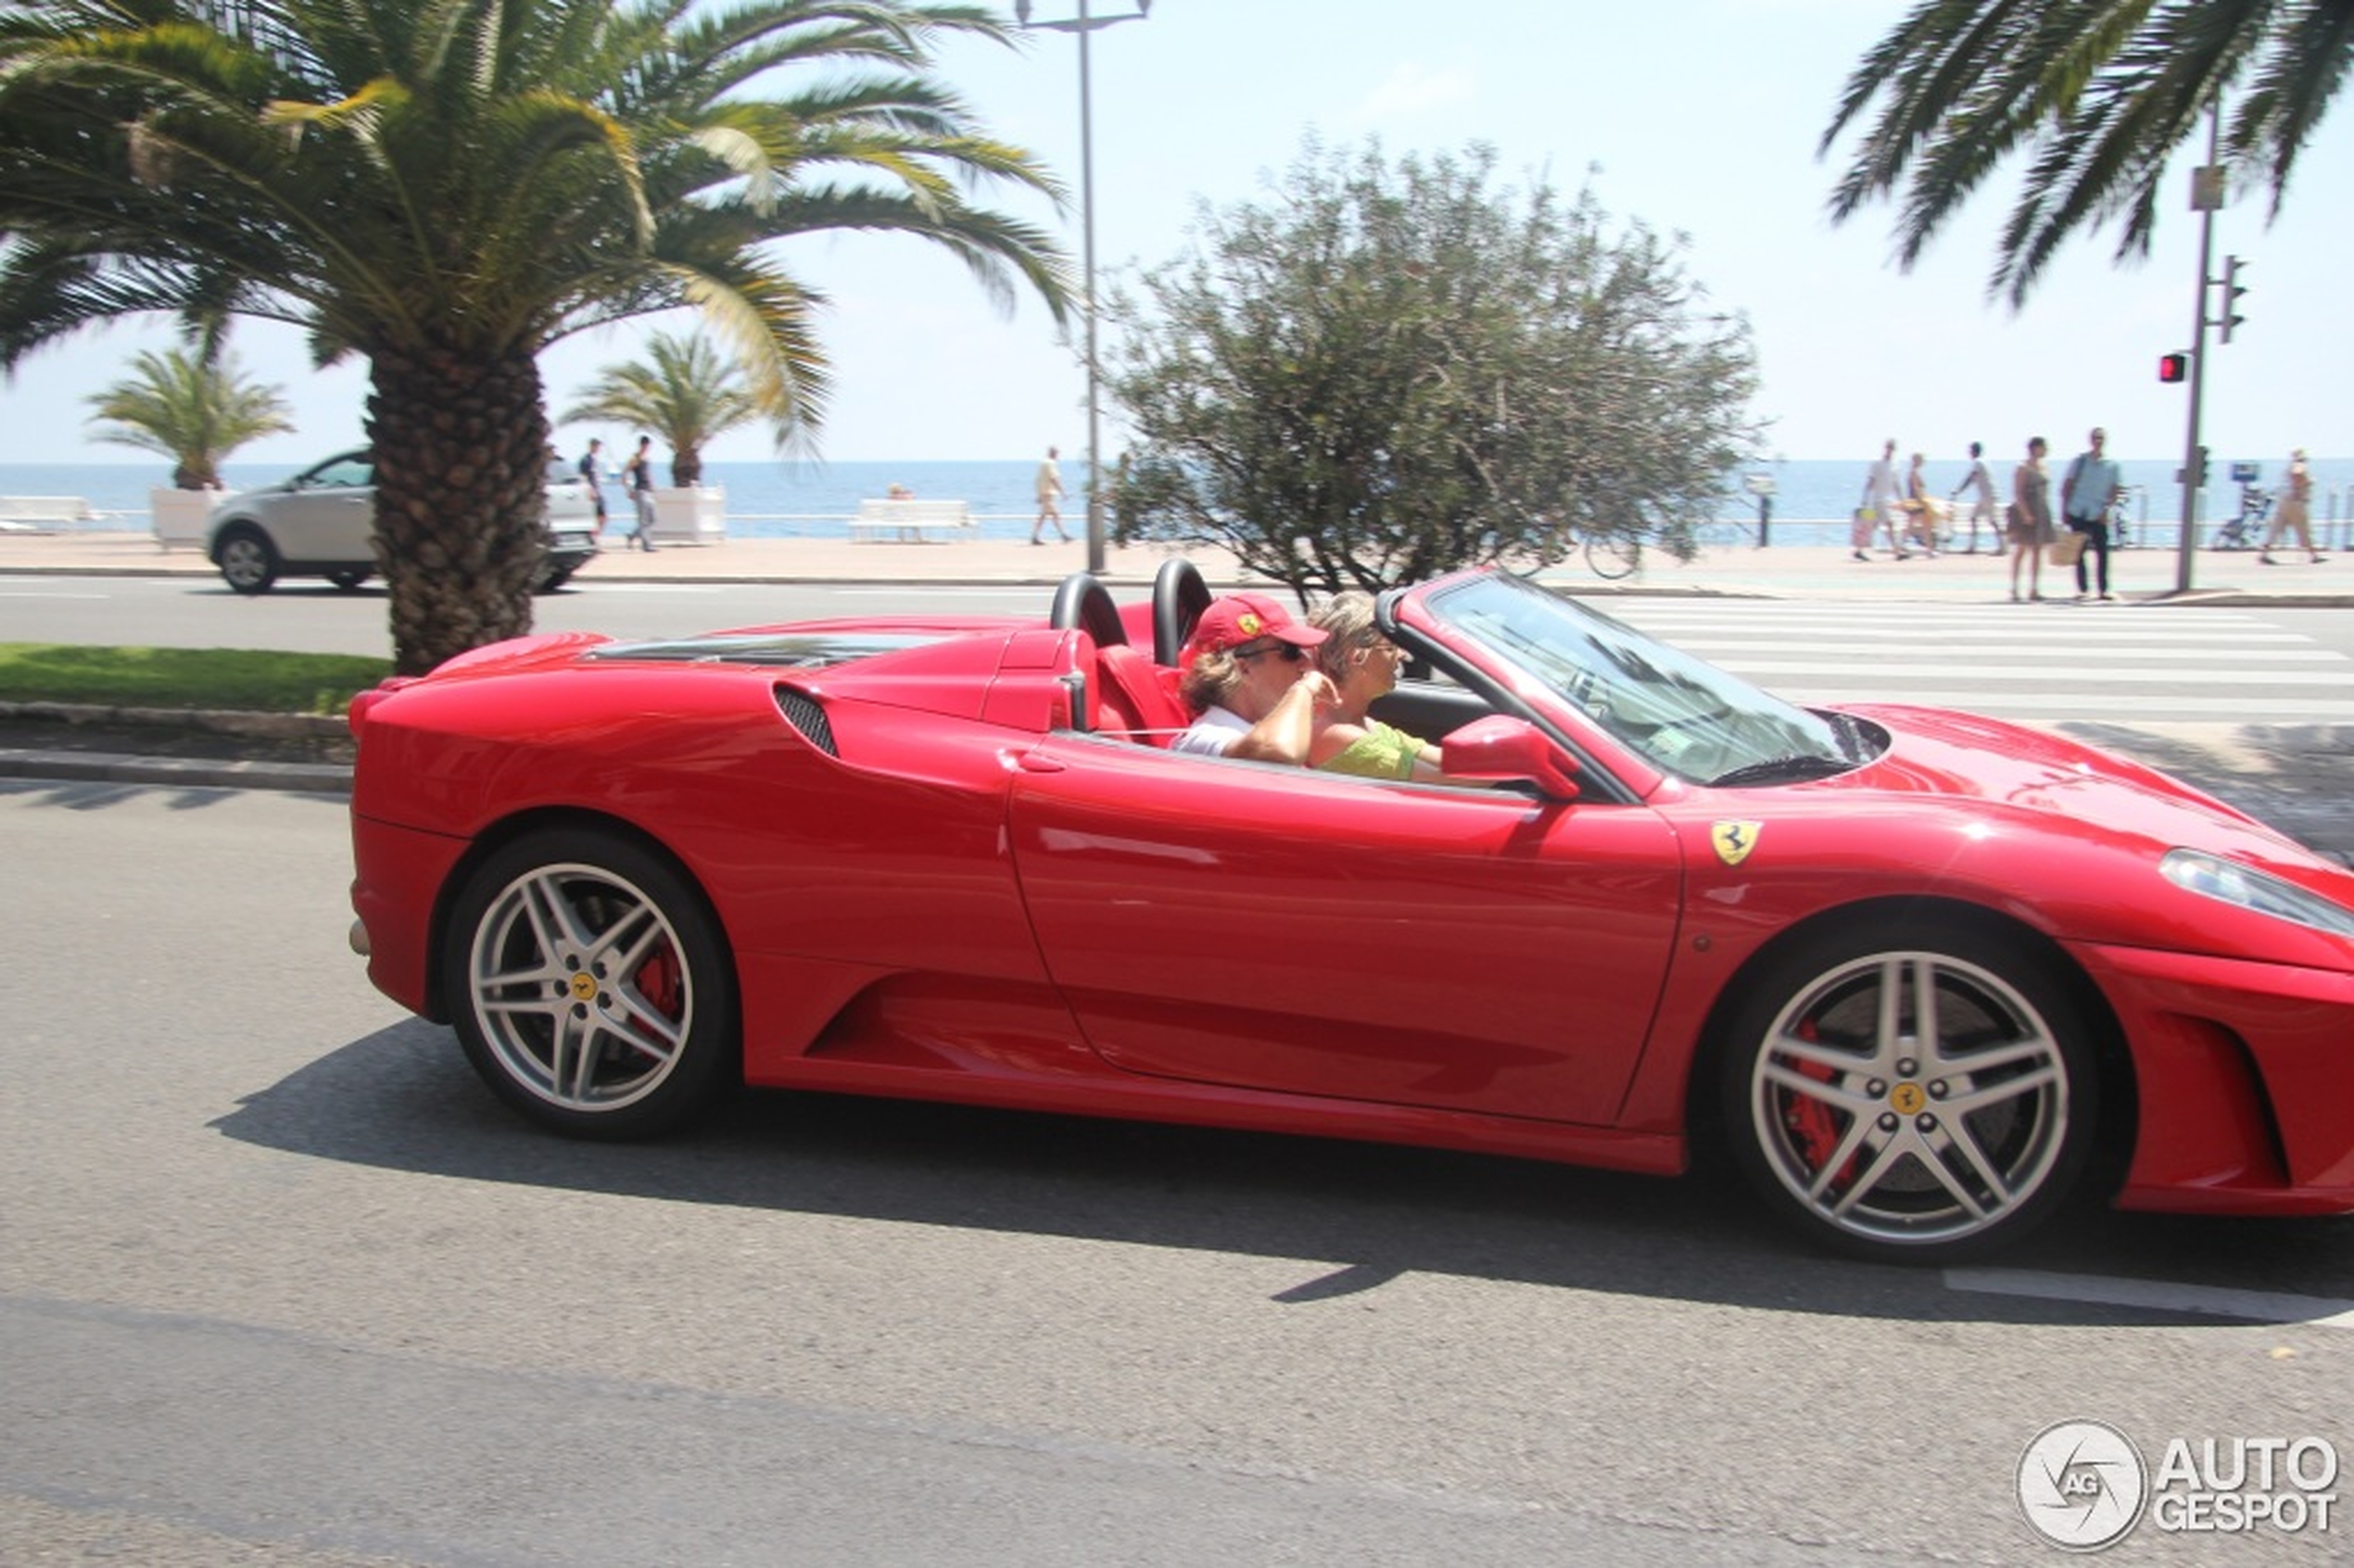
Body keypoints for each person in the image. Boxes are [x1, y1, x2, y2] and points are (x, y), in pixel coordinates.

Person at [1171, 593, 1335, 762]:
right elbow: (1280, 752)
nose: (1307, 665)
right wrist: (1304, 689)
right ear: (1243, 668)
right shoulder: (1204, 738)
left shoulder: (1261, 731)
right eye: (1290, 652)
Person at [1303, 592, 1449, 779]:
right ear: (1357, 656)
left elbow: (1445, 760)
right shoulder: (1339, 736)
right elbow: (1447, 782)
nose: (1402, 655)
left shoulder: (1362, 724)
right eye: (1390, 647)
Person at [2058, 425, 2121, 601]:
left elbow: (2115, 490)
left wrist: (2108, 510)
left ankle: (2104, 589)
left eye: (2101, 438)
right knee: (2078, 552)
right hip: (2078, 510)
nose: (2098, 441)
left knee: (2103, 552)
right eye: (2095, 438)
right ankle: (2083, 589)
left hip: (2098, 513)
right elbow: (2066, 486)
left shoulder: (2112, 465)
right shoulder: (2079, 462)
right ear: (2090, 440)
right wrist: (2064, 510)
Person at [2008, 436, 2054, 601]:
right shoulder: (2023, 467)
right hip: (2026, 509)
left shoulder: (2044, 466)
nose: (2046, 450)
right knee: (2022, 549)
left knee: (2037, 550)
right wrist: (2025, 513)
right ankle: (2014, 587)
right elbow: (2018, 492)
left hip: (2041, 509)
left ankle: (2034, 588)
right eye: (2043, 447)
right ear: (2035, 448)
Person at [2260, 449, 2323, 564]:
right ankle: (2314, 555)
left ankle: (2264, 554)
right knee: (2304, 529)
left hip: (2284, 501)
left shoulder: (2288, 468)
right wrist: (2299, 489)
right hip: (2295, 503)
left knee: (2276, 528)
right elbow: (2297, 473)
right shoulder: (2299, 465)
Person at [1854, 437, 1909, 561]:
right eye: (1887, 447)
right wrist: (1865, 498)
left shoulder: (1894, 465)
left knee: (1872, 526)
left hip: (1884, 499)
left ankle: (1859, 550)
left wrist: (1901, 499)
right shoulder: (1876, 463)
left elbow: (1896, 483)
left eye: (1891, 448)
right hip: (1875, 500)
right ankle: (1897, 552)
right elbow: (1870, 481)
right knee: (1888, 524)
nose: (1889, 450)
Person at [1949, 440, 1997, 553]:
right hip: (1986, 496)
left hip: (1987, 496)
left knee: (1992, 521)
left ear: (1974, 451)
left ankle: (2002, 546)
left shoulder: (1978, 463)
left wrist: (1958, 490)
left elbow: (1971, 478)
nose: (1969, 453)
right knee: (1974, 518)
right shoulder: (1983, 462)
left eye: (1970, 451)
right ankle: (1972, 546)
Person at [1900, 450, 1942, 556]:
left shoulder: (1914, 472)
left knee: (1917, 525)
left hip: (1916, 502)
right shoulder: (1913, 473)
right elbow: (1916, 489)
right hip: (1916, 503)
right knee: (1923, 526)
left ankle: (1903, 545)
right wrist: (1924, 501)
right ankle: (1928, 550)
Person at [621, 436, 658, 551]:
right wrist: (629, 490)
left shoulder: (647, 459)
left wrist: (652, 485)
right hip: (640, 490)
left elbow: (647, 474)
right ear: (642, 445)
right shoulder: (635, 458)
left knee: (652, 518)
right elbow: (624, 474)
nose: (647, 448)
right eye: (645, 445)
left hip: (648, 490)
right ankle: (647, 545)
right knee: (643, 520)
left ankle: (632, 536)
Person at [1031, 445, 1069, 545]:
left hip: (1044, 493)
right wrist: (1063, 492)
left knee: (1044, 516)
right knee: (1054, 514)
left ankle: (1035, 536)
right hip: (1048, 493)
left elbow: (1038, 480)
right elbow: (1054, 479)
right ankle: (1064, 535)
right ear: (1054, 454)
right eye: (1057, 454)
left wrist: (1039, 494)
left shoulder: (1043, 463)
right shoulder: (1051, 464)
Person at [576, 438, 607, 538]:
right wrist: (590, 490)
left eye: (598, 446)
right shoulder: (586, 460)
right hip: (591, 492)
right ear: (592, 446)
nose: (598, 448)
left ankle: (595, 538)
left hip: (598, 491)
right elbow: (583, 477)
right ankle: (592, 539)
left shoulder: (594, 460)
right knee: (595, 517)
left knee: (603, 517)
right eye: (596, 446)